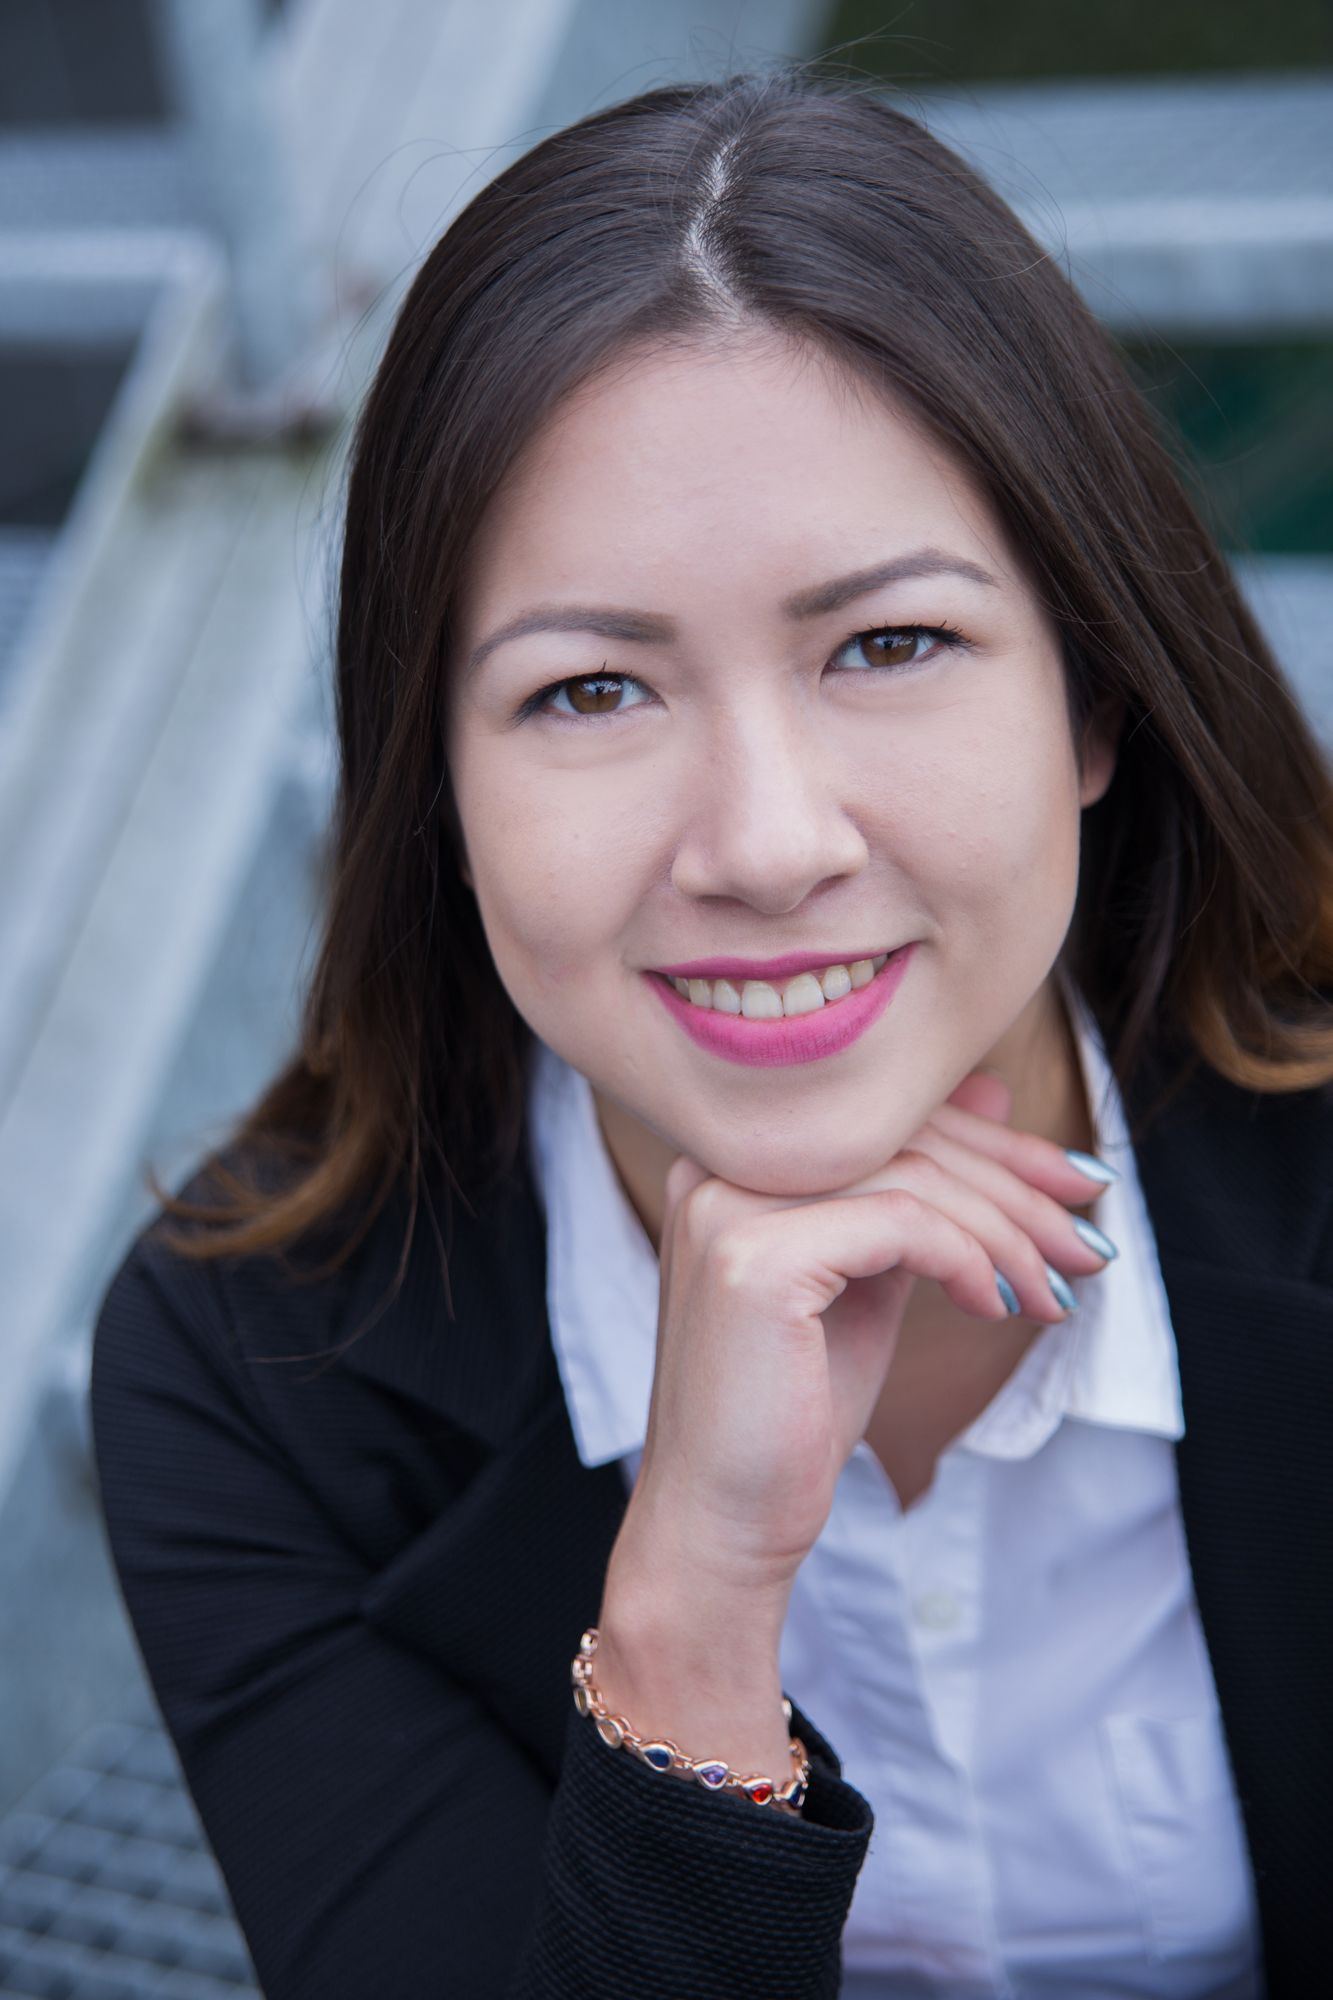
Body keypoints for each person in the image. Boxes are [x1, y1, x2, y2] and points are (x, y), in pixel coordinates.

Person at [89, 67, 1332, 2000]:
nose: (765, 843)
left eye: (888, 646)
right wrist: (689, 1620)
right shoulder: (256, 1362)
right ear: (436, 788)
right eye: (590, 690)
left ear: (1093, 706)